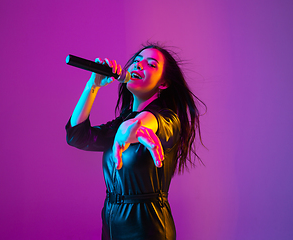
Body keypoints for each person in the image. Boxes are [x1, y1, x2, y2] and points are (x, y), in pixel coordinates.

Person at [65, 43, 206, 240]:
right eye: (137, 61)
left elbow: (146, 122)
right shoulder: (122, 121)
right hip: (112, 225)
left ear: (163, 83)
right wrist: (93, 85)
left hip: (148, 228)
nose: (139, 66)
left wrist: (129, 130)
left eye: (151, 64)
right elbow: (77, 137)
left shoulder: (168, 119)